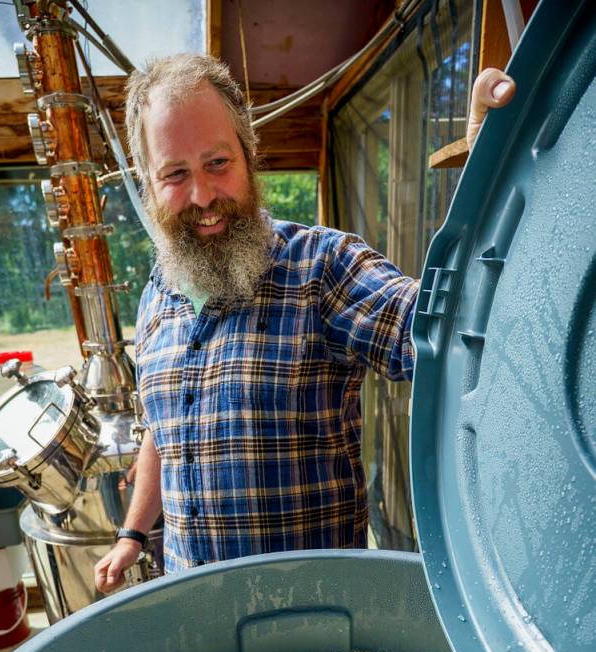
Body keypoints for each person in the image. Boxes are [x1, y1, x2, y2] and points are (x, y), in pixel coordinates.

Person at [94, 56, 515, 594]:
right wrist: (132, 533)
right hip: (195, 609)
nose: (201, 196)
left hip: (314, 616)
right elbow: (164, 427)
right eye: (175, 174)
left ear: (248, 155)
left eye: (217, 162)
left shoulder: (322, 268)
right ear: (149, 186)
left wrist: (492, 186)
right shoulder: (156, 295)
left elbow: (445, 329)